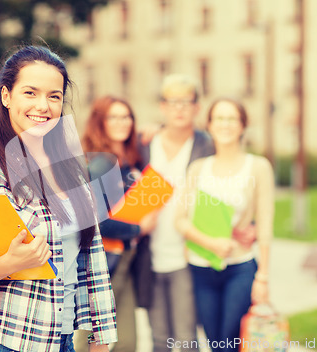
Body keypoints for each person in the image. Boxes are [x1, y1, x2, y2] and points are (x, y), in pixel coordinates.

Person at [0, 45, 116, 352]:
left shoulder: (73, 175)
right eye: (30, 93)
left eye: (54, 96)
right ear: (6, 97)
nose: (43, 106)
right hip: (1, 341)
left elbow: (91, 264)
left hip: (61, 342)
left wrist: (99, 337)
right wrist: (9, 262)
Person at [175, 97, 274, 352]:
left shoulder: (258, 167)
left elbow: (264, 226)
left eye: (232, 119)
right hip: (201, 268)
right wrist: (212, 243)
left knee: (229, 343)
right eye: (219, 118)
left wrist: (262, 277)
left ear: (243, 125)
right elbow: (180, 220)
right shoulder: (198, 169)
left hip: (240, 268)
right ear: (209, 124)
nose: (225, 124)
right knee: (214, 342)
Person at [74, 95, 158, 352]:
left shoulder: (131, 157)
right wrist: (138, 229)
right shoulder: (99, 163)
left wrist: (159, 129)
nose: (122, 123)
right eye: (114, 117)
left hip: (127, 261)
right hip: (103, 264)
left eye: (127, 117)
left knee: (127, 343)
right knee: (90, 342)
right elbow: (96, 221)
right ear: (100, 122)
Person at [138, 74, 214, 352]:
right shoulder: (144, 144)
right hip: (149, 254)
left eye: (186, 102)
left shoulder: (208, 145)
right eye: (173, 102)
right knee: (159, 340)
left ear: (197, 107)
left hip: (186, 255)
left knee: (185, 339)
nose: (179, 108)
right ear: (162, 106)